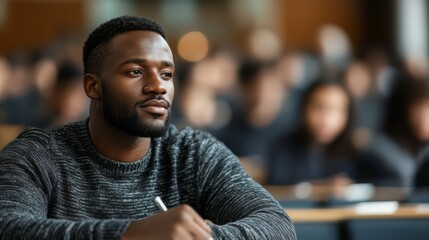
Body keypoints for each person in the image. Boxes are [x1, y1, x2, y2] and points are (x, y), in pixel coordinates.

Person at [0, 16, 296, 240]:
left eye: (166, 73)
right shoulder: (37, 154)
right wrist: (131, 233)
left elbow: (276, 223)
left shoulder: (191, 152)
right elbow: (9, 226)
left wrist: (197, 236)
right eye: (135, 72)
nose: (158, 86)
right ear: (93, 86)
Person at [266, 80, 357, 185]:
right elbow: (278, 187)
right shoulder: (282, 147)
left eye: (336, 110)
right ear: (304, 109)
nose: (326, 119)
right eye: (319, 108)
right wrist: (323, 188)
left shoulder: (351, 149)